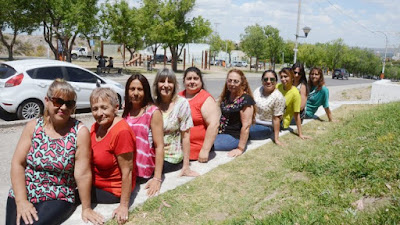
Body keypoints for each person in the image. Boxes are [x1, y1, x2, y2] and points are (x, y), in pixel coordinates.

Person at [6, 79, 104, 225]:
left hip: (57, 195)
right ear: (47, 101)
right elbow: (17, 163)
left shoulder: (79, 132)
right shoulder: (33, 127)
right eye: (58, 101)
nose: (63, 107)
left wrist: (86, 208)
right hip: (24, 190)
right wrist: (21, 201)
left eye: (69, 104)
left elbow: (82, 174)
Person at [90, 87, 136, 225]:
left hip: (111, 190)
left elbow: (127, 171)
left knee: (68, 197)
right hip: (95, 182)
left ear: (116, 108)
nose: (99, 113)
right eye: (95, 108)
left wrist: (123, 206)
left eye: (104, 108)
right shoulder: (96, 126)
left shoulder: (121, 132)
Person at [122, 73, 164, 197]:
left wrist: (157, 178)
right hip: (128, 170)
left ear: (145, 91)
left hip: (143, 172)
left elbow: (159, 146)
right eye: (132, 89)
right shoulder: (127, 112)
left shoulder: (152, 112)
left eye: (140, 89)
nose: (135, 93)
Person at [153, 68, 198, 176]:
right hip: (152, 155)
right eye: (162, 81)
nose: (166, 85)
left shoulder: (181, 104)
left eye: (170, 82)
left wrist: (186, 166)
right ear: (156, 84)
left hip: (170, 157)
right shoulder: (152, 103)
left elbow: (186, 136)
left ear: (175, 85)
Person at [178, 67, 220, 163]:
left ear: (201, 81)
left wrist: (205, 150)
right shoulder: (178, 97)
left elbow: (213, 125)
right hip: (177, 151)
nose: (192, 81)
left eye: (195, 78)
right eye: (189, 79)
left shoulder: (206, 99)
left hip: (196, 152)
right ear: (184, 81)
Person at [214, 69, 256, 157]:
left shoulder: (246, 100)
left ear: (242, 83)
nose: (232, 84)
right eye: (230, 80)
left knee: (206, 144)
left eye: (236, 81)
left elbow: (246, 126)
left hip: (233, 137)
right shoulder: (227, 95)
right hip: (221, 133)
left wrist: (240, 149)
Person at [249, 70, 286, 145]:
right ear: (262, 81)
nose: (268, 81)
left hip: (265, 126)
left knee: (243, 130)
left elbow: (276, 119)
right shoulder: (258, 90)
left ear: (276, 81)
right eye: (266, 79)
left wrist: (276, 139)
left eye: (272, 79)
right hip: (252, 122)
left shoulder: (278, 97)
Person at [277, 67, 309, 139]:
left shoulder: (295, 93)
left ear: (292, 77)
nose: (283, 79)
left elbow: (297, 114)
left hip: (282, 122)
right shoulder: (278, 87)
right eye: (281, 77)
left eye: (285, 76)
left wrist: (300, 134)